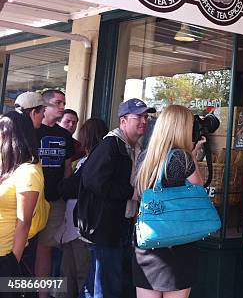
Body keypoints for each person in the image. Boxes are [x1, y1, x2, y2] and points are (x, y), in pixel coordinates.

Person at [79, 98, 154, 298]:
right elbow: (93, 180)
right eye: (138, 116)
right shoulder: (110, 144)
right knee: (105, 284)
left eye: (146, 117)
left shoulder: (134, 147)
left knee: (101, 281)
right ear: (123, 121)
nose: (144, 121)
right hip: (106, 225)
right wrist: (131, 193)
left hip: (123, 223)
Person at [133, 105, 206, 297]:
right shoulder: (183, 158)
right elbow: (199, 194)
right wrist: (192, 154)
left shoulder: (145, 156)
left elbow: (136, 193)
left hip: (148, 240)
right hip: (177, 242)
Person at [58, 118, 108, 298]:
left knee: (81, 272)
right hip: (75, 224)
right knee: (68, 271)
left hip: (82, 225)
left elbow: (71, 187)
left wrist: (64, 178)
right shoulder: (87, 160)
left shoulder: (92, 162)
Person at [34, 90, 75, 297]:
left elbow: (68, 167)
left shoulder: (65, 135)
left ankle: (42, 294)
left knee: (46, 246)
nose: (62, 107)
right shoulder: (32, 130)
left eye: (63, 103)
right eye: (58, 103)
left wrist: (64, 191)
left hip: (54, 199)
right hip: (30, 197)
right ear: (45, 105)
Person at [0, 111, 49, 279]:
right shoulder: (6, 167)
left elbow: (24, 222)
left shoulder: (28, 171)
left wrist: (12, 262)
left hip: (5, 256)